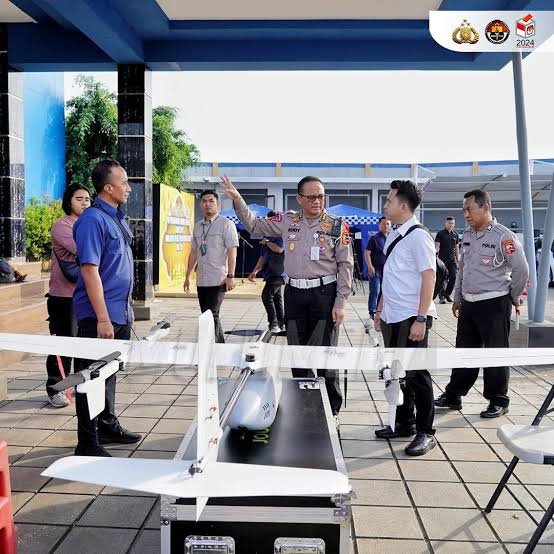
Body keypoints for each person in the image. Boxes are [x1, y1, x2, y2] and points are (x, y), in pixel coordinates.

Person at [221, 174, 353, 416]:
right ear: (299, 198)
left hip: (324, 295)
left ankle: (331, 410)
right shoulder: (287, 221)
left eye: (321, 196)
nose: (317, 201)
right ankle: (305, 404)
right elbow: (254, 225)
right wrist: (238, 199)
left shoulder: (337, 225)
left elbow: (346, 265)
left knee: (325, 353)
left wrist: (340, 301)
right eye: (311, 197)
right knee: (297, 352)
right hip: (294, 295)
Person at [435, 189, 529, 418]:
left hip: (494, 303)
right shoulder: (467, 235)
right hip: (469, 304)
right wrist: (458, 297)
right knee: (464, 351)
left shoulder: (503, 236)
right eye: (463, 210)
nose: (465, 214)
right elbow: (463, 269)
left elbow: (522, 269)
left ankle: (498, 400)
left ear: (486, 207)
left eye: (469, 209)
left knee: (496, 353)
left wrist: (513, 296)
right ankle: (454, 394)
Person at [72, 159, 141, 457]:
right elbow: (90, 271)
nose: (129, 188)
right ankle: (87, 442)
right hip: (98, 316)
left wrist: (128, 306)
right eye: (124, 182)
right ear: (108, 188)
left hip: (118, 312)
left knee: (109, 373)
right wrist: (102, 317)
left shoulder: (117, 218)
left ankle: (107, 425)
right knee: (89, 378)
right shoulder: (92, 220)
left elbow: (119, 266)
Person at [374, 180, 438, 456]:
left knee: (417, 375)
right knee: (397, 373)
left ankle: (426, 432)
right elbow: (390, 275)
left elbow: (429, 277)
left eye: (389, 200)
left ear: (403, 206)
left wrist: (421, 319)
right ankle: (404, 423)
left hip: (412, 316)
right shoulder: (395, 232)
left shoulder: (418, 236)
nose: (385, 204)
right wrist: (380, 310)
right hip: (393, 315)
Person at [46, 184, 91, 407]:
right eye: (79, 199)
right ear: (68, 202)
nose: (84, 203)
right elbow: (83, 250)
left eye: (87, 199)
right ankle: (55, 389)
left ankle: (77, 386)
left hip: (84, 294)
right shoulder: (62, 225)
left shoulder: (87, 224)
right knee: (62, 344)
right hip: (63, 296)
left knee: (82, 344)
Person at [184, 190, 239, 343]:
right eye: (204, 201)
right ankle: (219, 347)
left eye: (211, 201)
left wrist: (231, 276)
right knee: (207, 314)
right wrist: (187, 276)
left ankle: (213, 349)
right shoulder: (197, 226)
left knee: (211, 314)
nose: (207, 204)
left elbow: (232, 252)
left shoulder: (226, 224)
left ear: (218, 204)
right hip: (202, 279)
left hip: (218, 278)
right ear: (200, 204)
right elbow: (194, 253)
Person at [248, 211, 286, 334]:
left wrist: (266, 242)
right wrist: (255, 271)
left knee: (266, 296)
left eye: (273, 221)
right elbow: (262, 257)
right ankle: (281, 324)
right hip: (270, 273)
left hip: (279, 273)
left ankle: (274, 324)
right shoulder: (267, 237)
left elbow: (279, 249)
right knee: (277, 299)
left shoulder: (281, 235)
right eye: (269, 222)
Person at [364, 216, 391, 319]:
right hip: (375, 269)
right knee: (375, 290)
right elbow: (367, 252)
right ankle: (372, 311)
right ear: (379, 225)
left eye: (388, 224)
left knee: (384, 291)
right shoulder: (374, 238)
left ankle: (380, 310)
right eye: (383, 224)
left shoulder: (391, 238)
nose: (385, 226)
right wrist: (369, 266)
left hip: (387, 270)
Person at [435, 216, 460, 304]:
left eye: (452, 223)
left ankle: (447, 294)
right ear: (445, 223)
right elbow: (437, 245)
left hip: (452, 260)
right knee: (443, 278)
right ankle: (441, 296)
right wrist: (436, 255)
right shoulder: (440, 234)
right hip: (442, 259)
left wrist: (458, 259)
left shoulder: (455, 234)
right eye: (449, 223)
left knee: (454, 276)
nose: (451, 225)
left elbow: (457, 247)